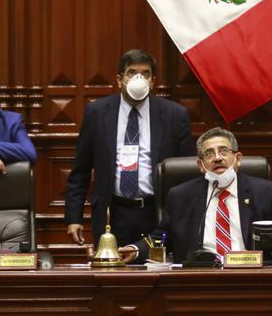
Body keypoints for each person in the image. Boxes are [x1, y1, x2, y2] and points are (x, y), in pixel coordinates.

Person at [64, 49, 195, 248]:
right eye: (132, 73)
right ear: (120, 79)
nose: (139, 78)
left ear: (153, 81)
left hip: (157, 212)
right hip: (113, 212)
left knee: (157, 273)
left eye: (145, 74)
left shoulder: (175, 115)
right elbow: (80, 170)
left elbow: (187, 172)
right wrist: (74, 217)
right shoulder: (97, 112)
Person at [119, 127, 272, 263]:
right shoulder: (181, 196)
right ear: (201, 165)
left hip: (251, 275)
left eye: (224, 151)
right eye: (209, 153)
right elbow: (161, 238)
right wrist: (134, 250)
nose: (217, 158)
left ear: (237, 159)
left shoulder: (265, 192)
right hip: (199, 277)